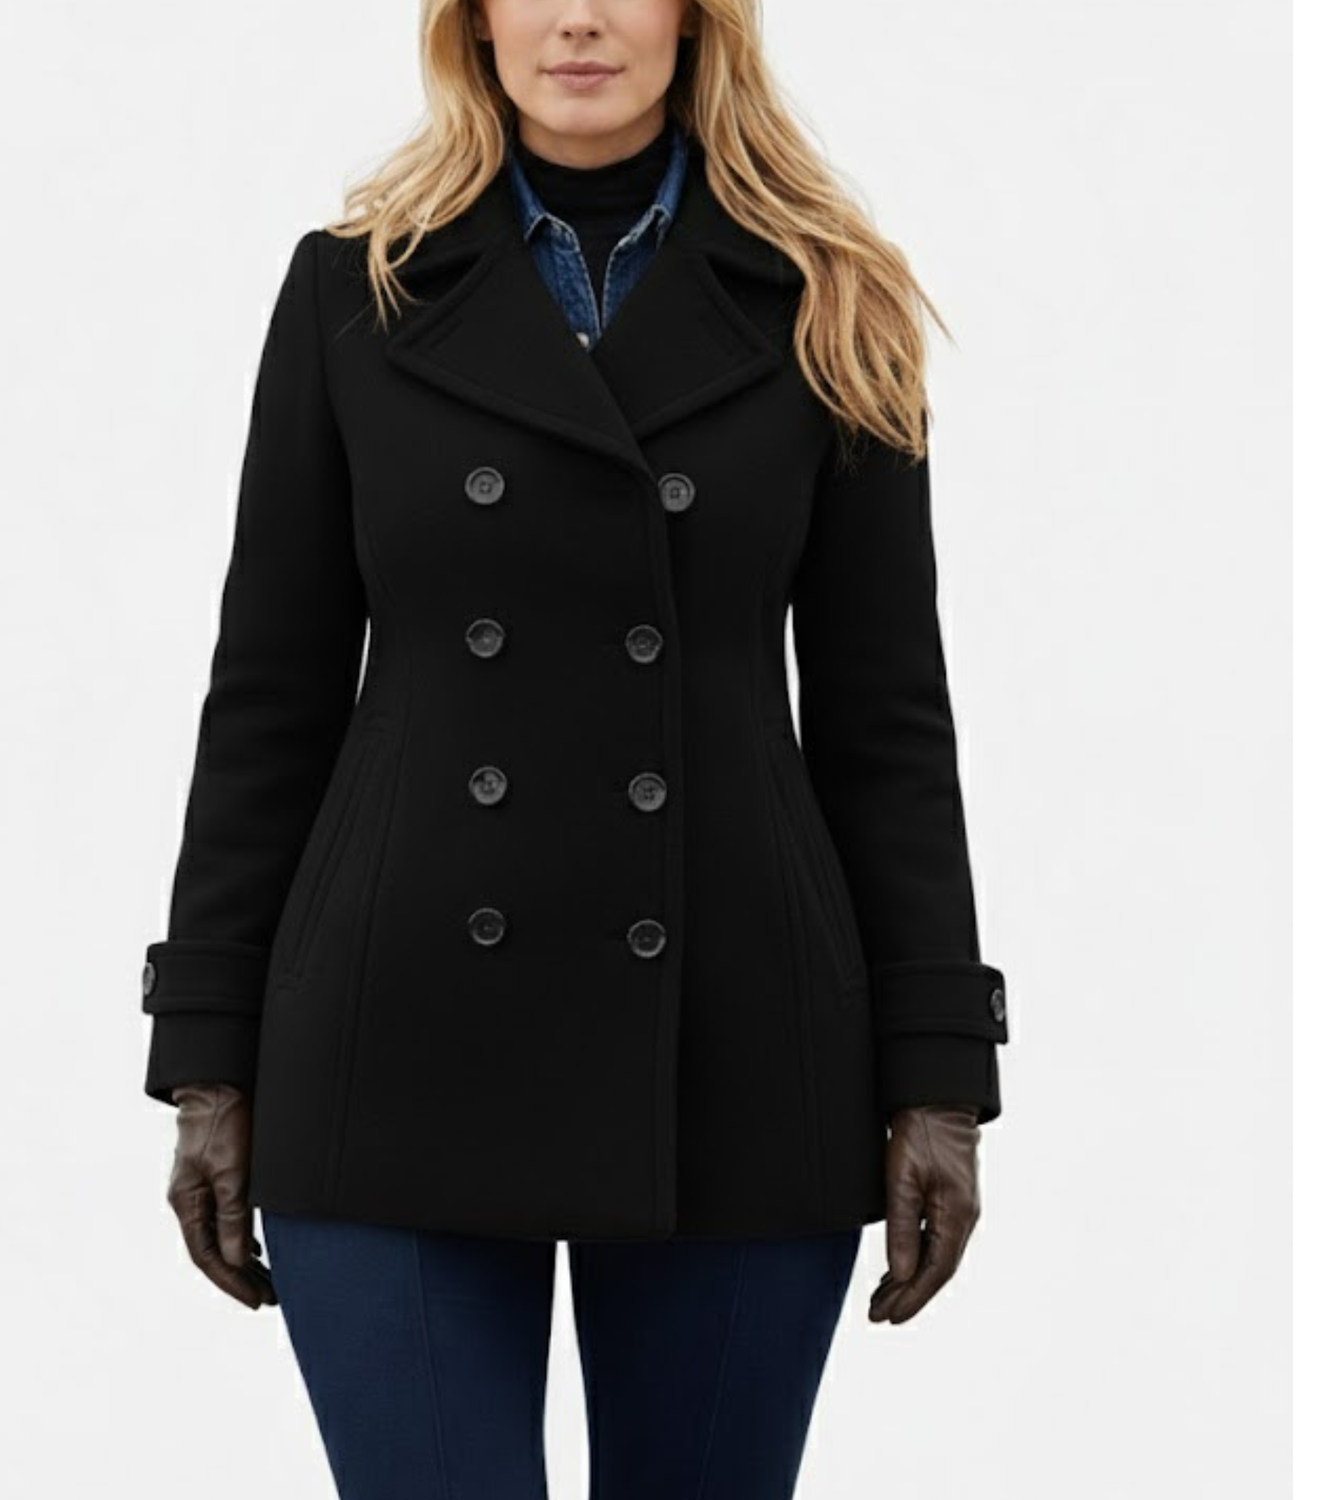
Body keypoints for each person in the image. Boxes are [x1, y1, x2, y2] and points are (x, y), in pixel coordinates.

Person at [140, 1, 1011, 1494]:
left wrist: (940, 1074)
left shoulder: (828, 294)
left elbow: (887, 723)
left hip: (739, 1051)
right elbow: (269, 697)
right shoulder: (355, 290)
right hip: (394, 1038)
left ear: (699, 17)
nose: (582, 19)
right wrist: (206, 1058)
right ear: (474, 20)